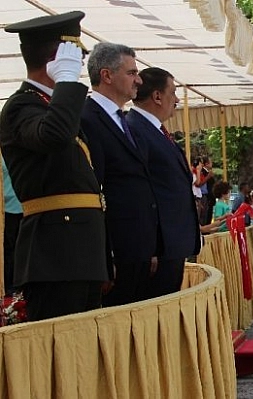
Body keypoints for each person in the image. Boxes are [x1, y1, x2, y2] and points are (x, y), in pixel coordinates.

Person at [0, 11, 109, 320]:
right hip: (54, 255)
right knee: (62, 351)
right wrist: (65, 81)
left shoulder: (55, 106)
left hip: (81, 249)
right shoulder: (20, 106)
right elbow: (54, 136)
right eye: (73, 55)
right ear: (56, 58)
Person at [82, 42, 160, 306]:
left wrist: (150, 247)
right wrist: (105, 256)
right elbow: (97, 192)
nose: (139, 80)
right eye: (131, 73)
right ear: (106, 75)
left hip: (139, 248)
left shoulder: (122, 119)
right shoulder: (88, 119)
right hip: (119, 252)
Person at [126, 67, 201, 298]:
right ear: (157, 96)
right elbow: (142, 193)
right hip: (160, 246)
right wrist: (151, 247)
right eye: (173, 92)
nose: (177, 99)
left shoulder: (155, 129)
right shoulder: (135, 128)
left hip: (173, 243)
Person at [2, 158, 23, 296]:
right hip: (6, 207)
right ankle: (8, 287)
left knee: (20, 248)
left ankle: (18, 285)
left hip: (24, 206)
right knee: (7, 249)